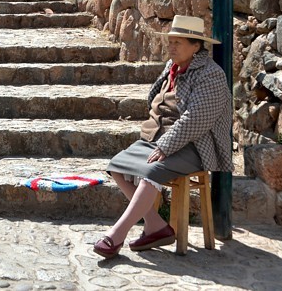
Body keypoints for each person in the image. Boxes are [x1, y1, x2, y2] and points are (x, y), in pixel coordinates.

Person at [93, 15, 233, 258]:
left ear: (196, 46)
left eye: (178, 43)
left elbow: (196, 119)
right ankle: (156, 226)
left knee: (150, 173)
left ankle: (117, 235)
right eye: (170, 42)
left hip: (194, 145)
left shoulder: (211, 75)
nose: (171, 47)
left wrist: (166, 146)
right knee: (116, 166)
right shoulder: (172, 67)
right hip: (157, 138)